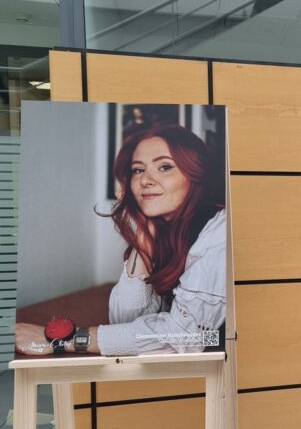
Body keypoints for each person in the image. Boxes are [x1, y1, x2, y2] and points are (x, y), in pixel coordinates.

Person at [15, 125, 226, 357]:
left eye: (164, 167)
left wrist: (64, 340)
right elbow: (125, 322)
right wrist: (143, 238)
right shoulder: (165, 231)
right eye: (137, 170)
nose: (146, 180)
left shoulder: (219, 231)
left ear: (196, 175)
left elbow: (188, 337)